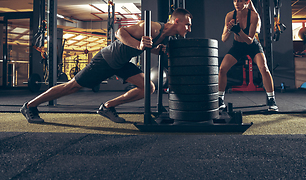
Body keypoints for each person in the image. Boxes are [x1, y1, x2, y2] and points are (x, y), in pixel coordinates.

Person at [21, 8, 192, 123]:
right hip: (107, 59)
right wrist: (139, 46)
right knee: (71, 87)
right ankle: (29, 106)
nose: (189, 29)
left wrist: (156, 49)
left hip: (122, 63)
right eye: (187, 24)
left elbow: (146, 46)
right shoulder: (153, 27)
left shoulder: (164, 37)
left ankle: (107, 107)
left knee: (148, 87)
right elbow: (120, 33)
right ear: (177, 21)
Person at [218, 0, 278, 111]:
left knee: (264, 68)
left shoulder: (254, 16)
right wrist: (230, 29)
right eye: (235, 1)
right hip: (238, 46)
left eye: (239, 1)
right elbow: (223, 38)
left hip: (252, 46)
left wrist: (238, 30)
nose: (236, 4)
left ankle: (271, 100)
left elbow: (249, 40)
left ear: (247, 1)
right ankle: (219, 99)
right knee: (222, 69)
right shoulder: (230, 15)